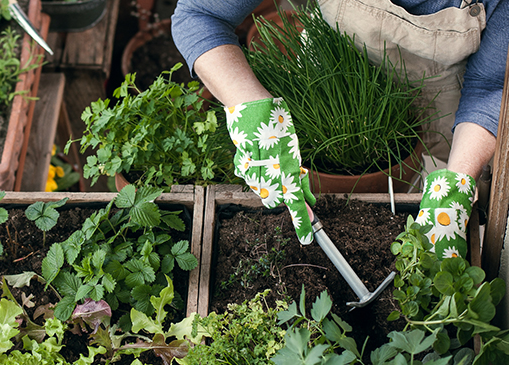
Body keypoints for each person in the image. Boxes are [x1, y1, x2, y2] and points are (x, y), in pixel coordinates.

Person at [171, 0, 507, 259]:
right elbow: (199, 13)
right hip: (329, 91)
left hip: (447, 111)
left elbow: (491, 84)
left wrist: (458, 178)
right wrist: (250, 106)